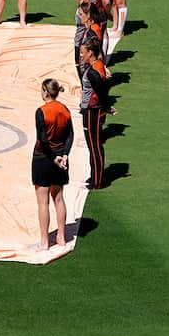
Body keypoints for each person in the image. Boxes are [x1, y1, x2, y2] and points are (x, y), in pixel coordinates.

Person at [32, 78, 73, 250]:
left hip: (43, 158)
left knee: (43, 202)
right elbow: (70, 135)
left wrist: (53, 157)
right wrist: (64, 155)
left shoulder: (41, 111)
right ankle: (61, 236)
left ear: (45, 92)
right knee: (58, 197)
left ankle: (44, 241)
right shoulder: (65, 110)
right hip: (60, 158)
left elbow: (42, 139)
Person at [79, 41, 111, 190]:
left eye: (83, 53)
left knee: (94, 146)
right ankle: (95, 176)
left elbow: (101, 90)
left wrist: (107, 107)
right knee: (94, 146)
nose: (81, 55)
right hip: (93, 110)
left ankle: (97, 181)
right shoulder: (97, 66)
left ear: (90, 53)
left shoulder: (93, 72)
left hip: (93, 111)